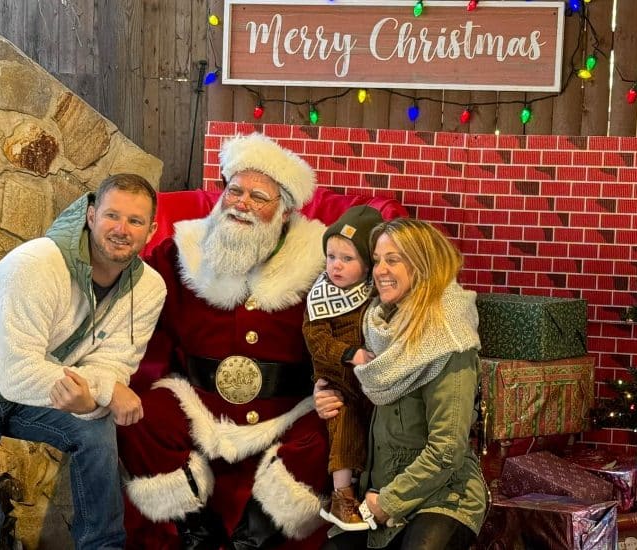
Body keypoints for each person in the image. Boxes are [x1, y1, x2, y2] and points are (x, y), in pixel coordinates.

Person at [0, 174, 166, 550]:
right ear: (91, 216)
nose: (121, 229)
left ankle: (103, 545)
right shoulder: (37, 263)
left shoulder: (149, 288)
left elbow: (113, 362)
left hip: (21, 393)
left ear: (151, 230)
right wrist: (105, 392)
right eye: (112, 216)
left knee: (94, 429)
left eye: (135, 221)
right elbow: (18, 374)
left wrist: (94, 397)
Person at [117, 132, 332, 549]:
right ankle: (194, 527)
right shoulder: (181, 252)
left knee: (328, 434)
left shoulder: (320, 263)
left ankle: (253, 537)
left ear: (284, 211)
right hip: (199, 401)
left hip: (286, 408)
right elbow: (136, 302)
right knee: (140, 415)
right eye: (235, 190)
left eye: (258, 196)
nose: (242, 203)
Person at [314, 217, 488, 550]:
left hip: (441, 497)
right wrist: (325, 395)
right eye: (377, 260)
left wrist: (389, 502)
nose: (380, 270)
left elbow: (447, 450)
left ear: (422, 266)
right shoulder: (378, 327)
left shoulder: (449, 341)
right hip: (377, 490)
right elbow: (360, 396)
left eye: (393, 260)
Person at [302, 205, 383, 531]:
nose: (335, 265)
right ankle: (341, 496)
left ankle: (376, 492)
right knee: (343, 420)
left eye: (347, 259)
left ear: (367, 264)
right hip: (338, 377)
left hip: (372, 382)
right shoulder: (321, 297)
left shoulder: (374, 294)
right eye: (331, 256)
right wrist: (351, 353)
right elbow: (316, 342)